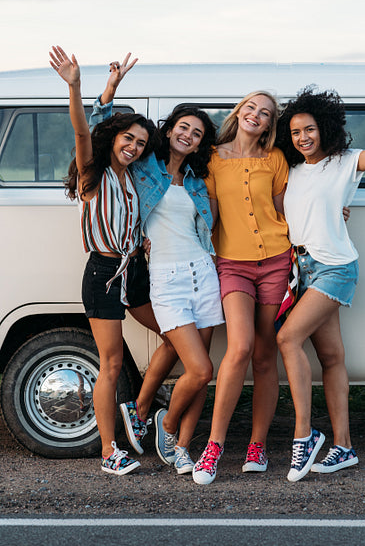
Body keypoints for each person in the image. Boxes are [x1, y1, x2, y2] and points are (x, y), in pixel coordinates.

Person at [275, 62, 365, 482]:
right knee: (332, 357)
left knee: (287, 337)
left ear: (326, 128)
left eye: (310, 129)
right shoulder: (292, 170)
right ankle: (344, 447)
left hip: (335, 267)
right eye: (296, 131)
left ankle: (304, 435)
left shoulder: (344, 162)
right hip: (303, 268)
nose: (303, 137)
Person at [90, 59, 224, 475]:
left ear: (201, 144)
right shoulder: (144, 166)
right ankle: (156, 417)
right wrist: (110, 87)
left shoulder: (200, 182)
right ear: (169, 131)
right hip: (163, 275)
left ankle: (180, 445)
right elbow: (102, 131)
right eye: (182, 127)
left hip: (204, 272)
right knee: (200, 367)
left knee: (200, 369)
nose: (188, 135)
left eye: (197, 133)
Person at [49, 46, 177, 476]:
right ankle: (109, 451)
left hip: (133, 270)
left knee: (177, 336)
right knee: (113, 363)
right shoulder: (93, 174)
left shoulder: (131, 176)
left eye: (141, 143)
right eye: (128, 139)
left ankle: (139, 410)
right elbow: (84, 132)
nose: (135, 147)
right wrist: (79, 86)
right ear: (114, 139)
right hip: (103, 273)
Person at [191, 91, 291, 485]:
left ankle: (257, 444)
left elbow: (286, 210)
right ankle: (214, 446)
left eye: (265, 113)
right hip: (232, 264)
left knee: (266, 355)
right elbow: (208, 216)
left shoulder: (276, 160)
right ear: (239, 112)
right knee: (240, 347)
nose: (256, 115)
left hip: (277, 260)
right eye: (251, 107)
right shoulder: (214, 158)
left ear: (270, 124)